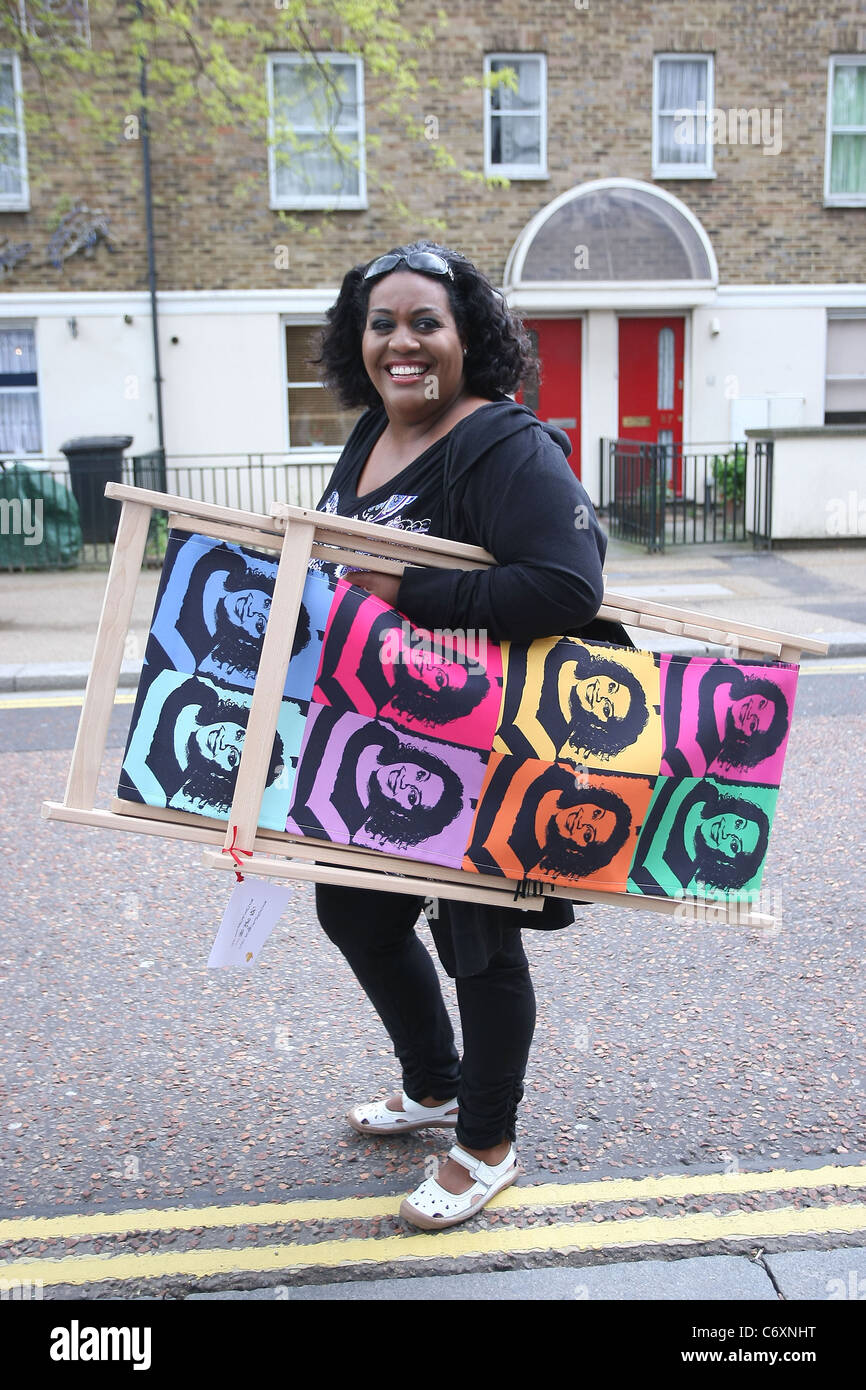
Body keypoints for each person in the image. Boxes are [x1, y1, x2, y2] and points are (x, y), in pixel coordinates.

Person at [308, 240, 614, 1230]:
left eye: (423, 322)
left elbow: (567, 585)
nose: (400, 342)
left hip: (476, 746)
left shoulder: (505, 445)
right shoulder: (368, 434)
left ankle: (483, 1143)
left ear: (464, 336)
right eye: (380, 322)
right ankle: (433, 1083)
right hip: (377, 739)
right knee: (352, 912)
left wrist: (411, 591)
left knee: (475, 947)